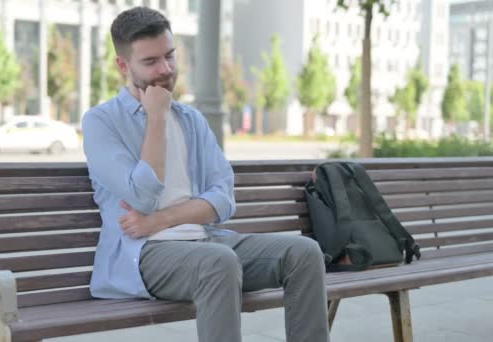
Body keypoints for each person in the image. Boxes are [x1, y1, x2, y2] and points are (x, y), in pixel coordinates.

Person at [82, 6, 329, 342]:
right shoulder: (101, 122)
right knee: (219, 262)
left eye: (170, 56)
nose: (166, 69)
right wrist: (155, 119)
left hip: (206, 241)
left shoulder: (191, 120)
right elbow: (141, 196)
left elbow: (223, 197)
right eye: (151, 61)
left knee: (304, 254)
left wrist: (160, 220)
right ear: (122, 65)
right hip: (142, 255)